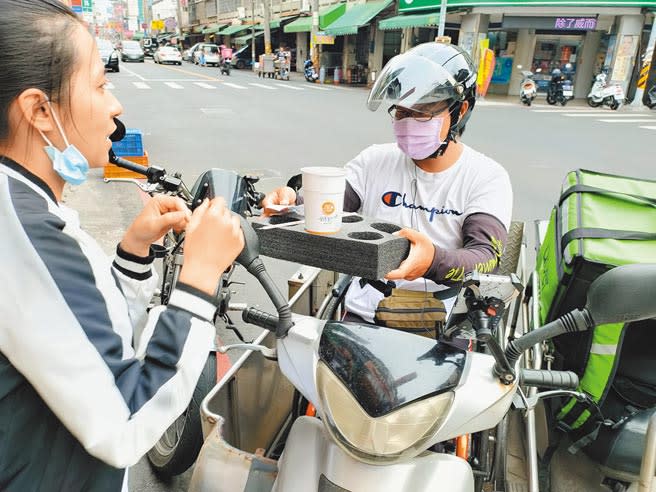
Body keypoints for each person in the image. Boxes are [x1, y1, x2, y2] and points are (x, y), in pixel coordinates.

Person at [0, 1, 244, 490]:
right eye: (98, 83)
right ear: (39, 111)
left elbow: (87, 338)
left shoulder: (25, 205)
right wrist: (199, 279)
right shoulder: (21, 231)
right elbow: (125, 420)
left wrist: (133, 253)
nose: (115, 105)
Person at [262, 42, 512, 337]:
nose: (408, 123)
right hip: (364, 311)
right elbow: (333, 203)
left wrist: (433, 261)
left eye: (423, 112)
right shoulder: (374, 160)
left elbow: (486, 256)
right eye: (402, 112)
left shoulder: (486, 177)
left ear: (460, 110)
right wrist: (295, 201)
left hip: (442, 322)